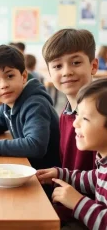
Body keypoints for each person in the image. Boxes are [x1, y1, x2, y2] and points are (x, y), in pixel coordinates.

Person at [0, 45, 60, 170]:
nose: (3, 85)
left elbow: (35, 146)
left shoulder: (35, 104)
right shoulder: (10, 103)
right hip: (27, 168)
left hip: (45, 179)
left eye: (10, 76)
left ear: (24, 76)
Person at [37, 79, 107, 230]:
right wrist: (61, 174)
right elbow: (95, 178)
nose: (75, 123)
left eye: (85, 119)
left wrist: (78, 202)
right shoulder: (103, 160)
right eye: (77, 115)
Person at [42, 28, 98, 171]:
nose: (67, 72)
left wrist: (76, 194)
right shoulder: (65, 113)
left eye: (76, 62)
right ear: (49, 73)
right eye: (57, 66)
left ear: (93, 66)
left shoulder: (100, 114)